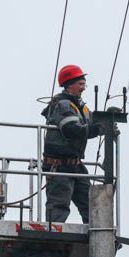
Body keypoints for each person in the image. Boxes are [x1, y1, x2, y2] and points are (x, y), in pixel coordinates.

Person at [41, 64, 102, 222]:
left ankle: (100, 234)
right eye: (80, 84)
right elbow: (71, 129)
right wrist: (97, 129)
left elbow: (90, 123)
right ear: (69, 85)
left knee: (92, 204)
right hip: (59, 166)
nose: (83, 88)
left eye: (84, 84)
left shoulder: (81, 108)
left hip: (75, 165)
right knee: (59, 206)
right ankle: (53, 238)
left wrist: (107, 119)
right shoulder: (62, 105)